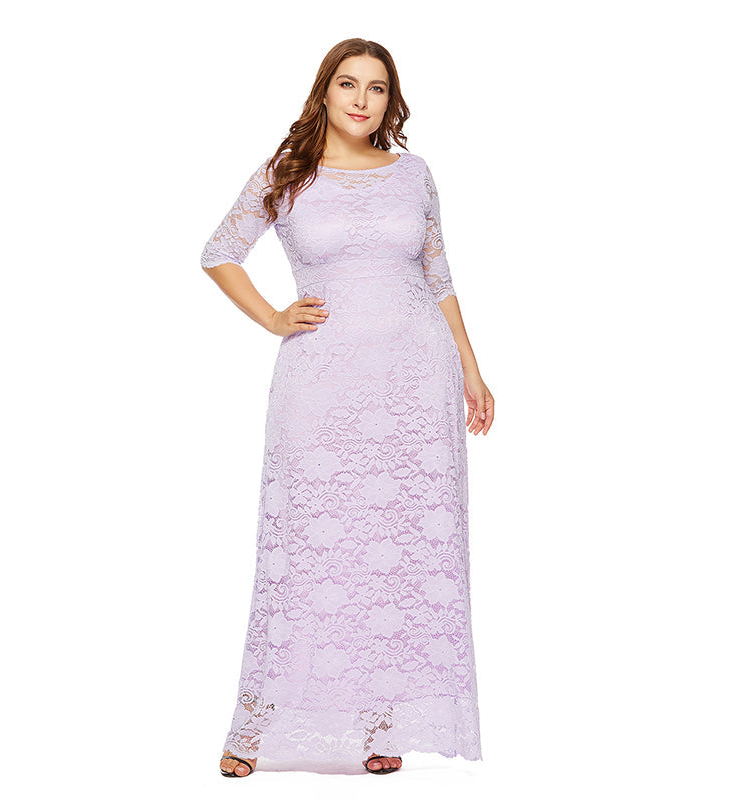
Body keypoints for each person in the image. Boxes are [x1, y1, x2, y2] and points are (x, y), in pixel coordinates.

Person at [200, 38, 495, 778]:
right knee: (306, 547)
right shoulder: (288, 171)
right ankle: (254, 727)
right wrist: (273, 317)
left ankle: (379, 723)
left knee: (396, 550)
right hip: (322, 384)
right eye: (347, 84)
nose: (361, 99)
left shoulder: (414, 174)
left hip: (415, 380)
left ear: (391, 100)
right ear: (324, 92)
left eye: (376, 87)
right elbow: (219, 252)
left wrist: (471, 369)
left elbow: (439, 275)